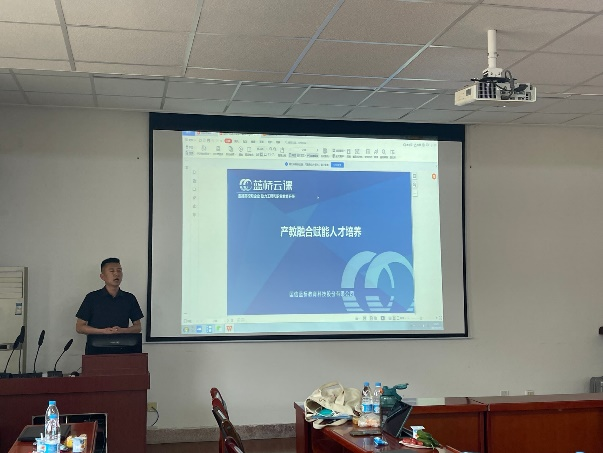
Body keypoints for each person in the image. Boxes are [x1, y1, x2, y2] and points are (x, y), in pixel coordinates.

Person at [76, 258, 144, 354]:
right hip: (96, 350)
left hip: (123, 349)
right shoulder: (92, 298)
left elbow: (138, 327)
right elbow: (79, 327)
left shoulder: (129, 298)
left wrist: (122, 330)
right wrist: (103, 331)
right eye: (112, 271)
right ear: (102, 276)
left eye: (119, 270)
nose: (116, 274)